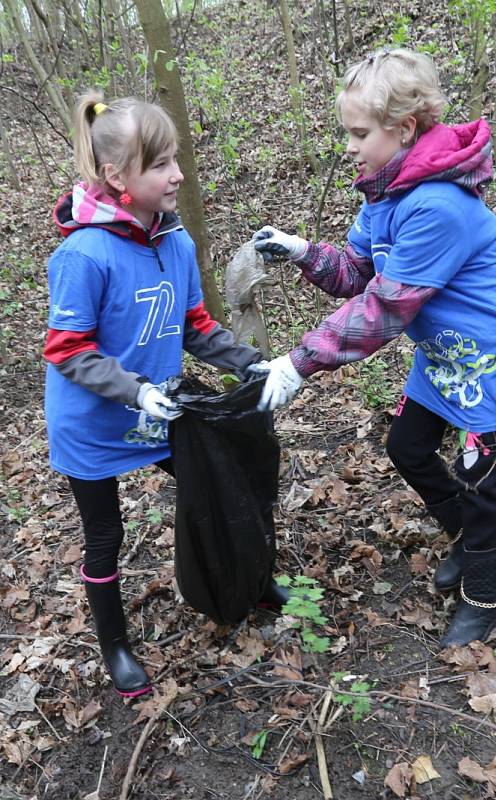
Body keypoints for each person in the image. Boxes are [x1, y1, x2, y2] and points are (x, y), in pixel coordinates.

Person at [252, 48, 496, 648]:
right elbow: (356, 273)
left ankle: (483, 594)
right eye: (348, 132)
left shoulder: (438, 205)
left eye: (360, 133)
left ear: (405, 129)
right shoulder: (382, 194)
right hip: (446, 350)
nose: (350, 146)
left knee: (479, 475)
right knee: (408, 447)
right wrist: (302, 251)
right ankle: (469, 540)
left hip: (490, 354)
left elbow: (385, 308)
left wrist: (298, 363)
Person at [44, 92, 271, 698]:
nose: (177, 174)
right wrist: (135, 391)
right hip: (93, 424)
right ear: (117, 177)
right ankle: (115, 643)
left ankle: (248, 580)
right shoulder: (82, 256)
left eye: (175, 159)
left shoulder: (177, 243)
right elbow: (67, 350)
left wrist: (254, 365)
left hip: (157, 412)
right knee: (105, 536)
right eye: (160, 165)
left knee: (225, 477)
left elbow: (195, 326)